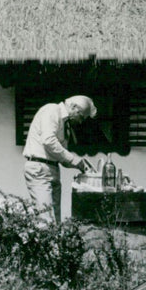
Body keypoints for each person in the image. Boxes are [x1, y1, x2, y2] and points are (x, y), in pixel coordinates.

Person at [23, 95, 97, 223]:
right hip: (39, 169)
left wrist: (79, 164)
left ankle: (52, 242)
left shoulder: (66, 125)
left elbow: (62, 157)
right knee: (46, 220)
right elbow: (48, 141)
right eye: (80, 116)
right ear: (73, 107)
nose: (80, 121)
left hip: (53, 170)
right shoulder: (52, 110)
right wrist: (73, 159)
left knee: (55, 220)